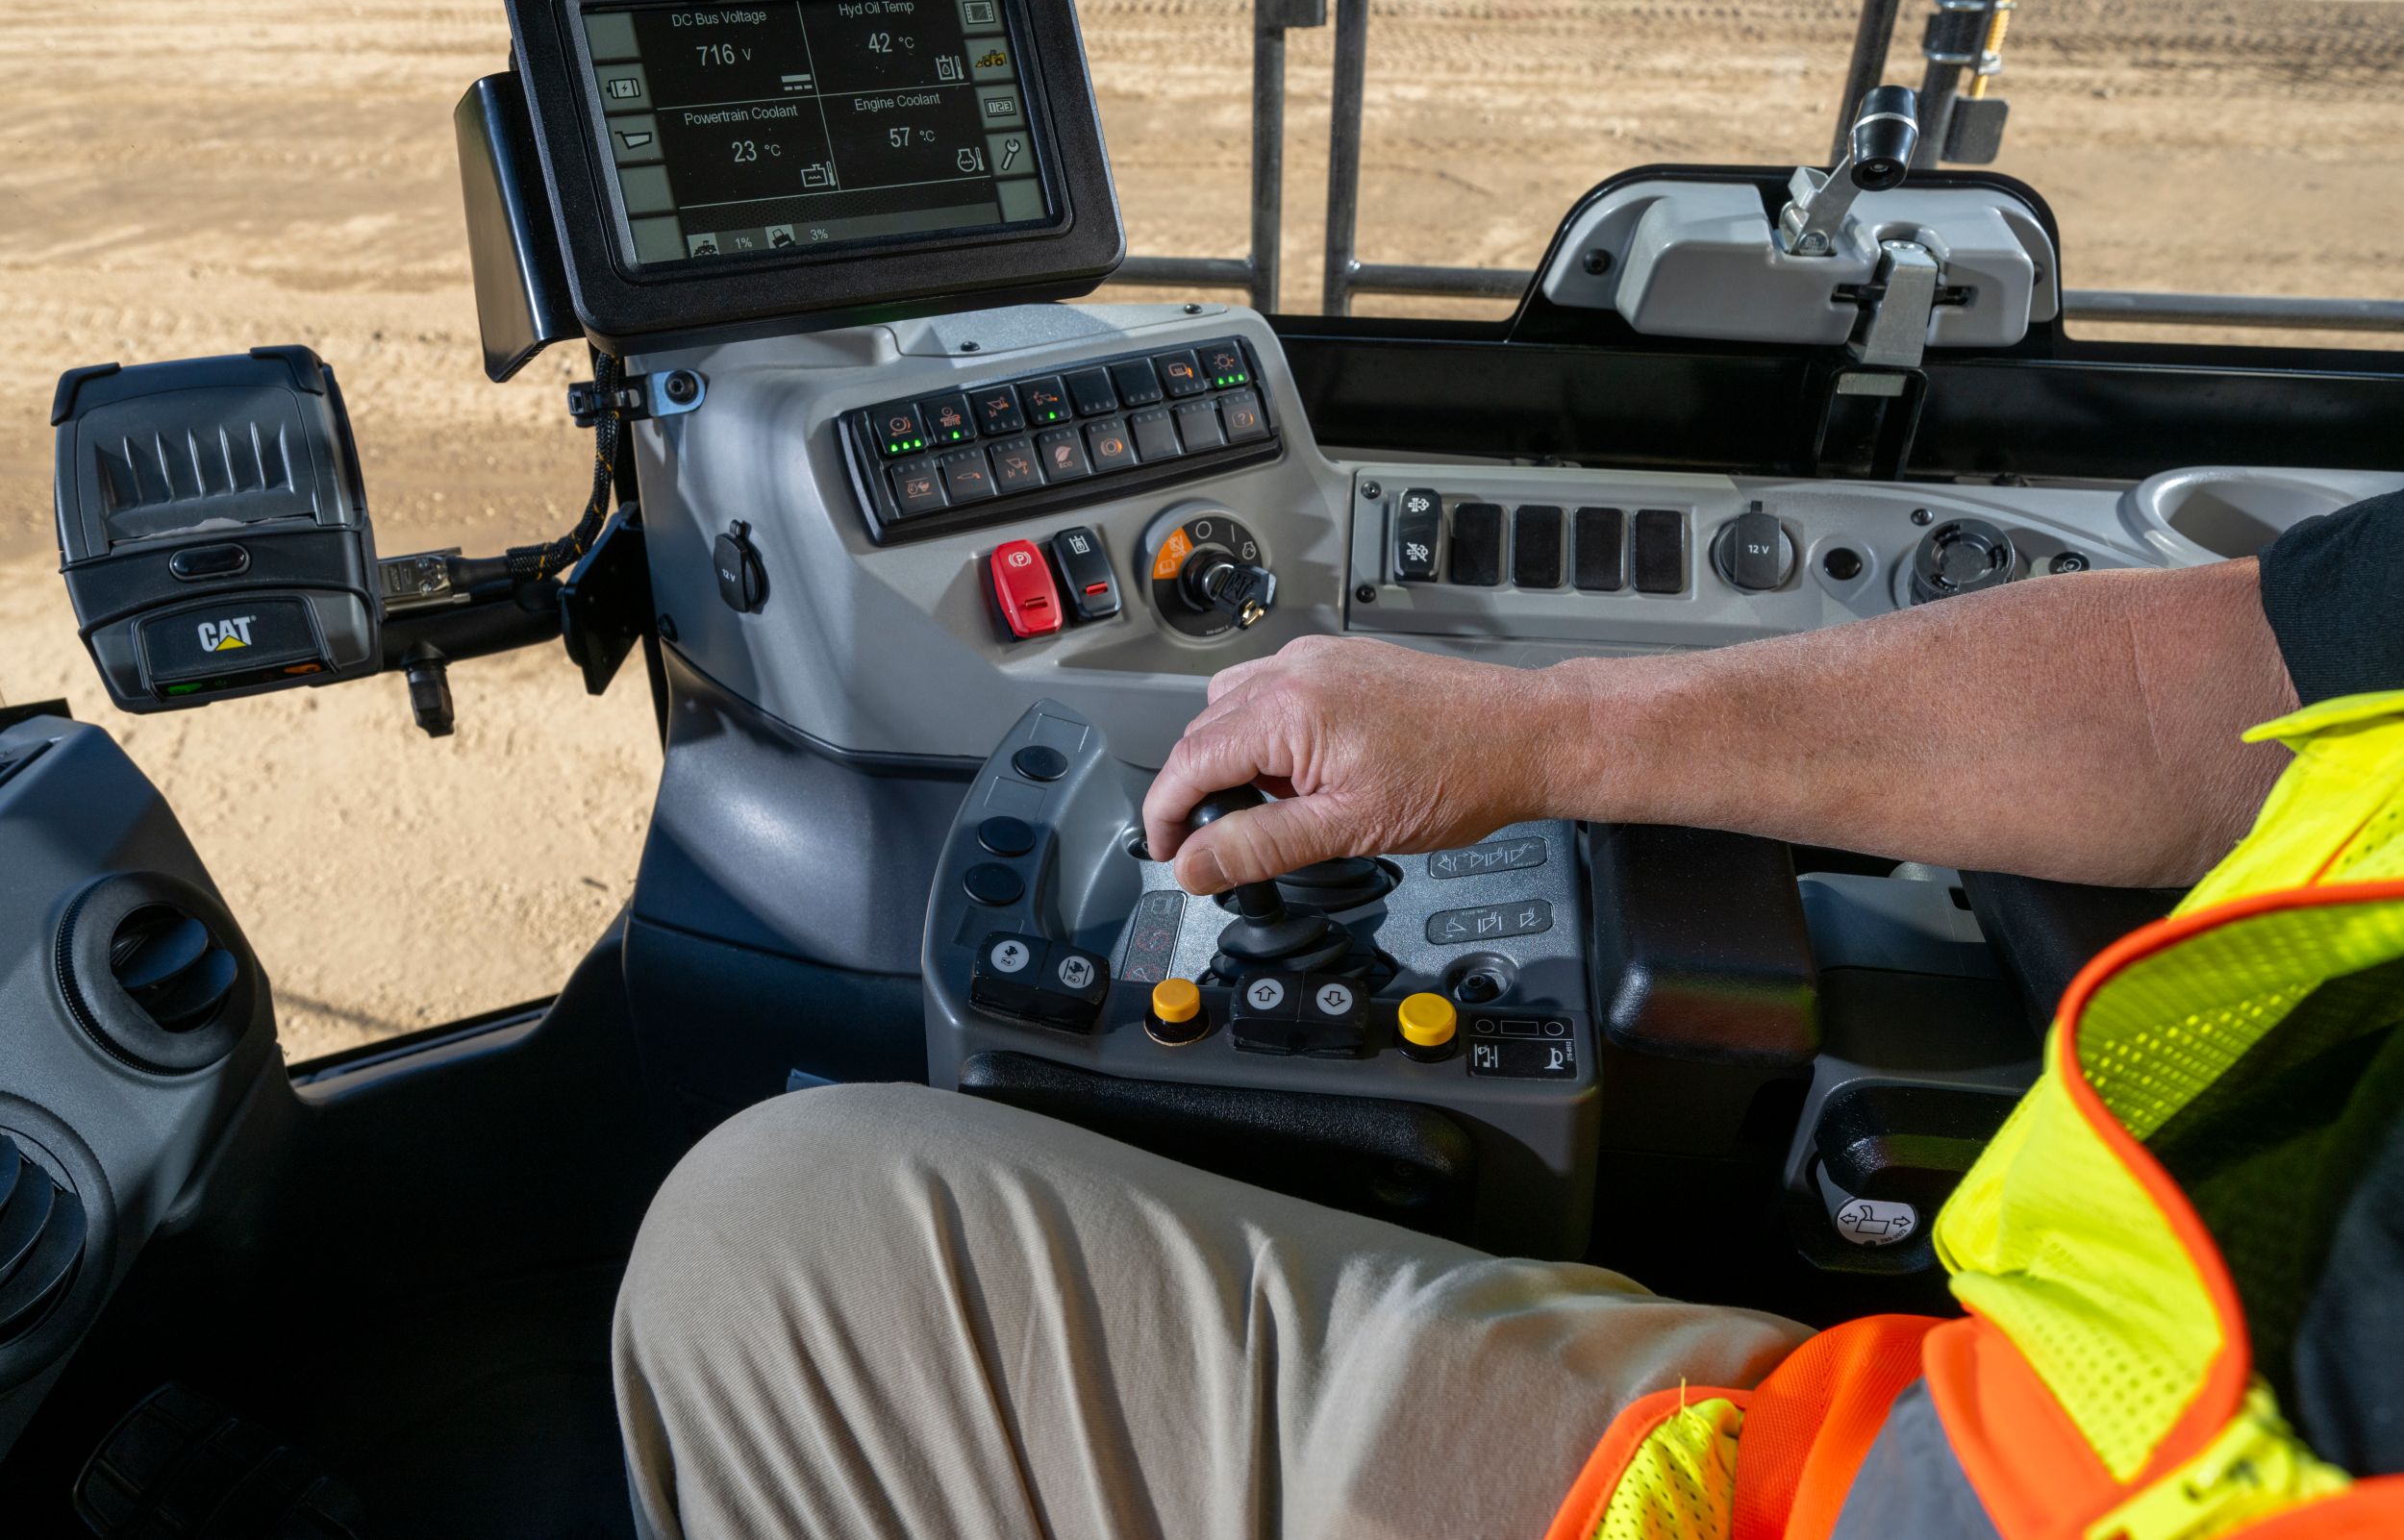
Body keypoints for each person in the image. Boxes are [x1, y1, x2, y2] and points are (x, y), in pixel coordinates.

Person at [612, 494, 2404, 1540]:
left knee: (764, 1250)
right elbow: (2219, 689)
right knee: (810, 1230)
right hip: (1910, 1443)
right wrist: (1540, 735)